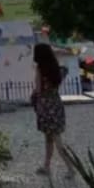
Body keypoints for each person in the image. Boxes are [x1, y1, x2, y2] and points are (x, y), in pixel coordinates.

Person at [32, 43, 75, 178]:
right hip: (56, 104)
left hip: (45, 106)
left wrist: (34, 97)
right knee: (52, 137)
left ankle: (71, 168)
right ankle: (46, 166)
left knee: (53, 139)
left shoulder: (40, 69)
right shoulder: (56, 69)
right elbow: (65, 70)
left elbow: (38, 90)